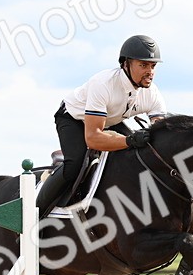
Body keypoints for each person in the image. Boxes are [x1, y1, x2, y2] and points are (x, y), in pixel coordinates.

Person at [35, 34, 168, 217]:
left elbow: (160, 134)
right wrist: (129, 140)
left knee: (139, 153)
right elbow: (93, 138)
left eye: (153, 66)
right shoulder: (103, 84)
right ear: (126, 64)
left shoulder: (152, 93)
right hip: (73, 119)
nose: (150, 72)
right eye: (143, 65)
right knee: (75, 165)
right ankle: (34, 214)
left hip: (110, 120)